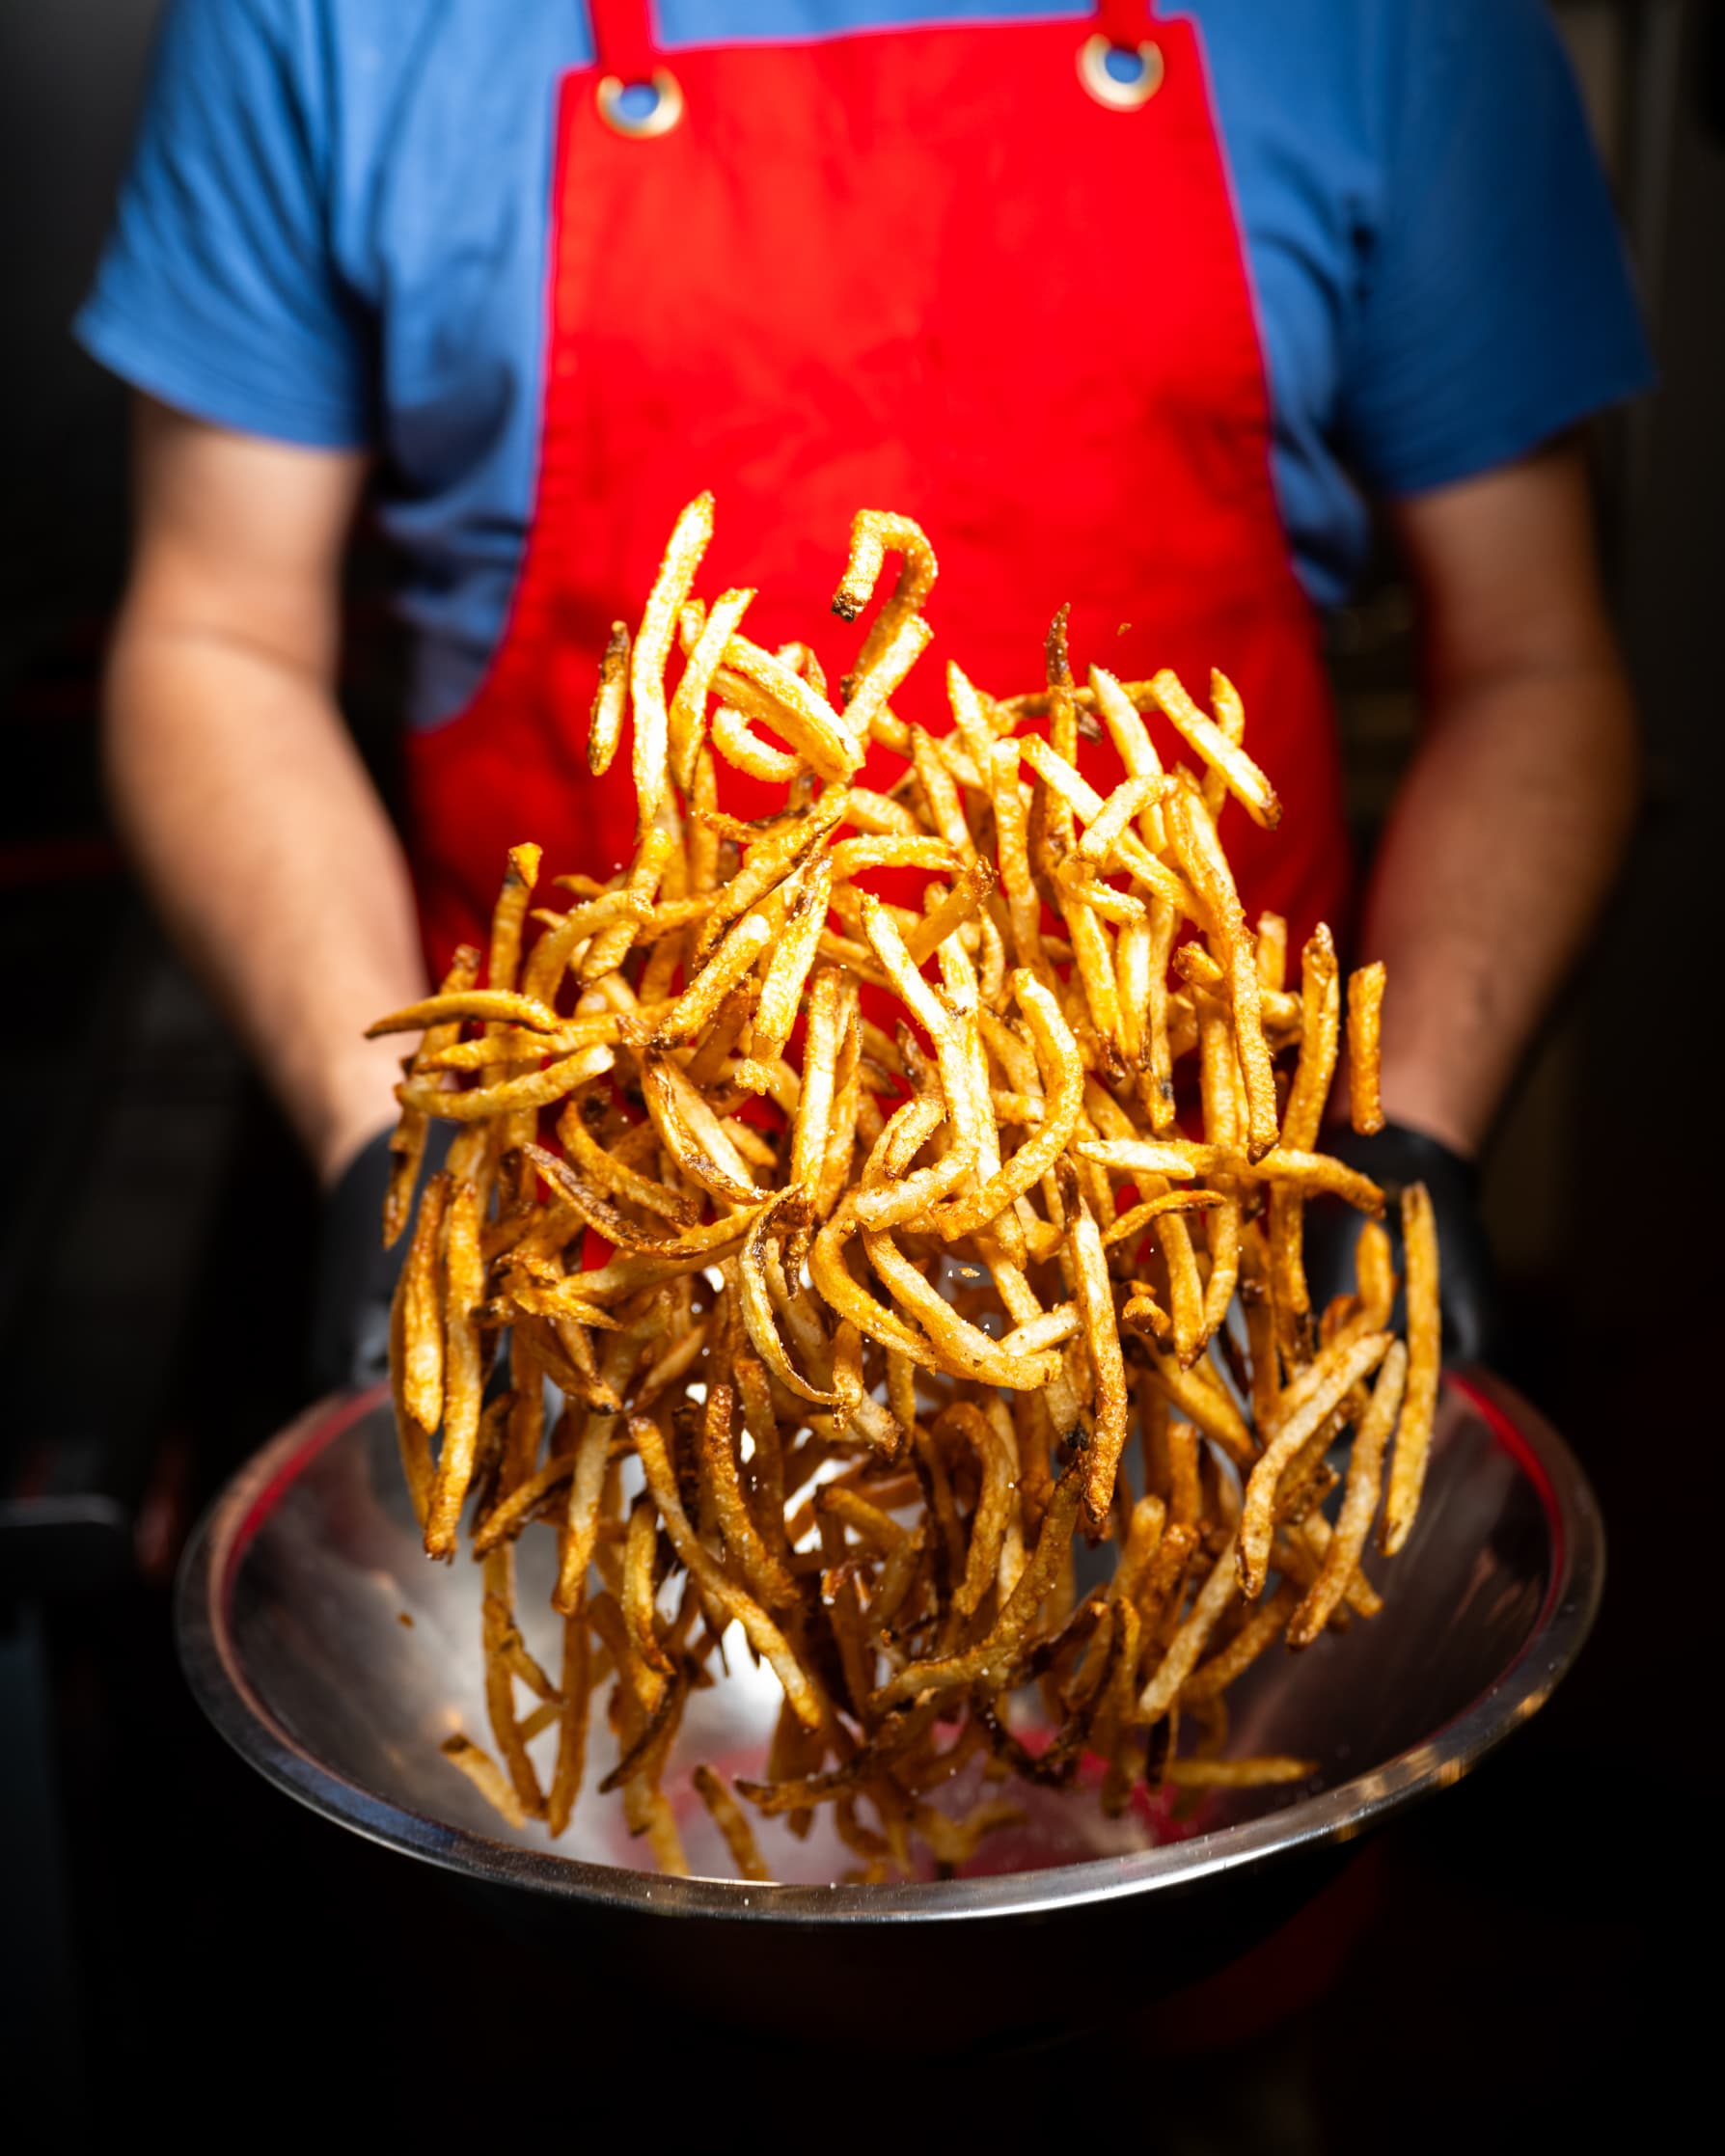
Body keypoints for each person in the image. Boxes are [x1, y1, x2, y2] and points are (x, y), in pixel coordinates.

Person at [77, 0, 1650, 1390]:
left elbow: (1535, 662)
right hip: (584, 1292)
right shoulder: (318, 18)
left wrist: (1418, 1134)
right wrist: (381, 1144)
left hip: (1201, 1294)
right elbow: (217, 639)